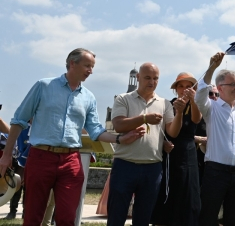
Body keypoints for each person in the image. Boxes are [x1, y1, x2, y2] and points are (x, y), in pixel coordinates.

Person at [0, 48, 144, 226]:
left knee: (67, 218)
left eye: (92, 67)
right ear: (72, 64)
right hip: (41, 157)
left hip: (71, 161)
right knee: (33, 216)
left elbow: (96, 130)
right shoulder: (43, 86)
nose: (91, 71)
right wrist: (7, 155)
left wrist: (120, 139)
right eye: (87, 66)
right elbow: (18, 120)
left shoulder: (89, 97)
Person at [108, 62, 186, 226]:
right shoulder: (124, 98)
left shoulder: (165, 103)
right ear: (138, 78)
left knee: (143, 219)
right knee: (116, 216)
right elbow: (118, 125)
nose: (152, 82)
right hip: (125, 165)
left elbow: (172, 132)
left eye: (156, 78)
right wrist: (144, 119)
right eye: (147, 78)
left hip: (152, 168)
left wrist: (179, 113)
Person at [194, 52, 235, 226]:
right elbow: (199, 94)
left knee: (232, 219)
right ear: (220, 87)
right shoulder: (211, 108)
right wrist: (211, 68)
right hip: (216, 173)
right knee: (208, 218)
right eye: (233, 84)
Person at [151, 72, 203, 226]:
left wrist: (193, 101)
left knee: (189, 192)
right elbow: (172, 132)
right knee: (170, 190)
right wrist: (179, 111)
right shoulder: (169, 105)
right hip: (171, 152)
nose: (184, 89)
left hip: (189, 153)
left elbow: (196, 119)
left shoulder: (195, 105)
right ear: (176, 89)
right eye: (181, 86)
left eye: (188, 86)